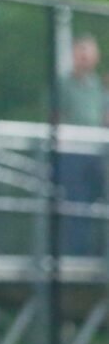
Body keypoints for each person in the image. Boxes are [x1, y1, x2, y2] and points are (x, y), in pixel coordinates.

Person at [56, 35, 108, 255]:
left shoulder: (98, 86)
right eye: (81, 52)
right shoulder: (64, 84)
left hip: (97, 153)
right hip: (73, 153)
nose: (85, 58)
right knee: (76, 204)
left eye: (89, 53)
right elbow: (57, 116)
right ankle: (76, 254)